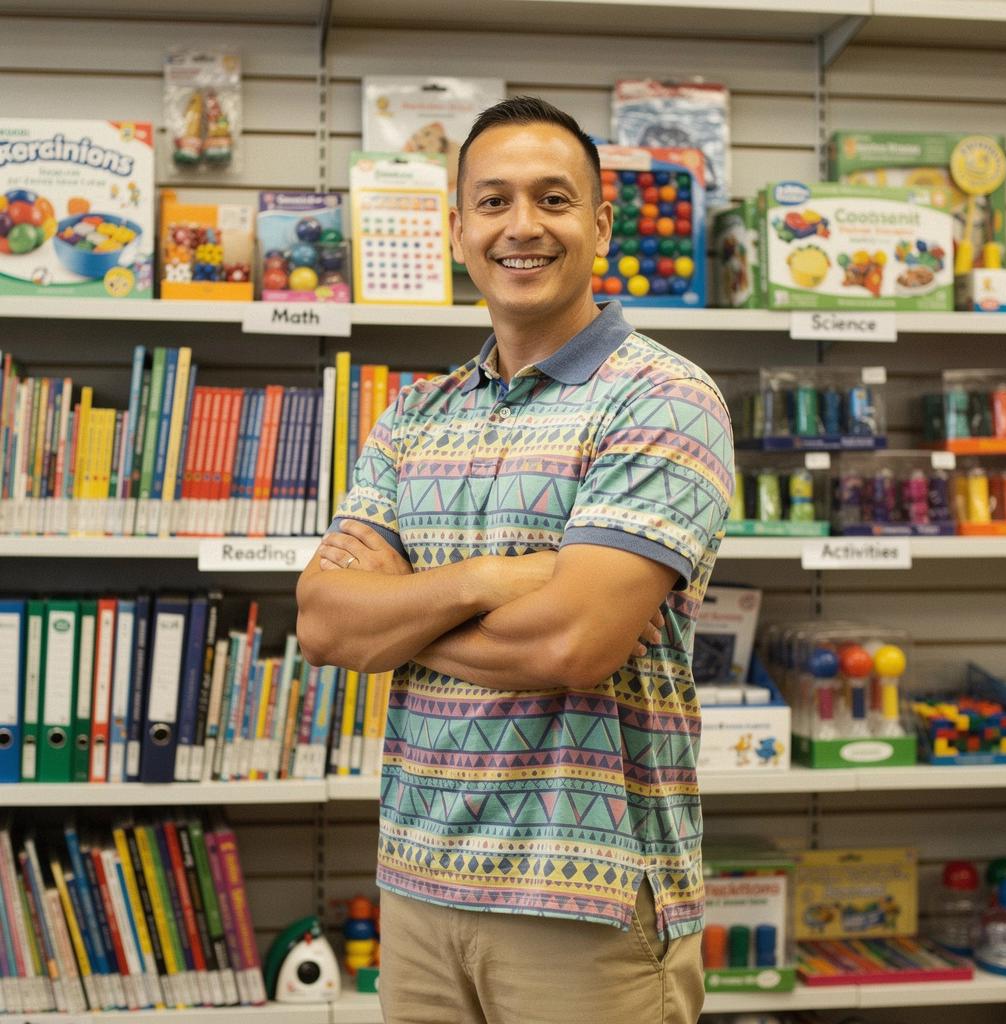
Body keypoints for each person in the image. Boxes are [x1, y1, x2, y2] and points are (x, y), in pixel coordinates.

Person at [296, 96, 734, 1024]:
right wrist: (487, 583)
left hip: (587, 906)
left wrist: (401, 618)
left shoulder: (663, 398)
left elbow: (574, 643)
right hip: (417, 888)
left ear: (601, 225)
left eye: (553, 199)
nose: (522, 226)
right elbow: (324, 622)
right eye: (493, 202)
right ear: (459, 229)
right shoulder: (416, 414)